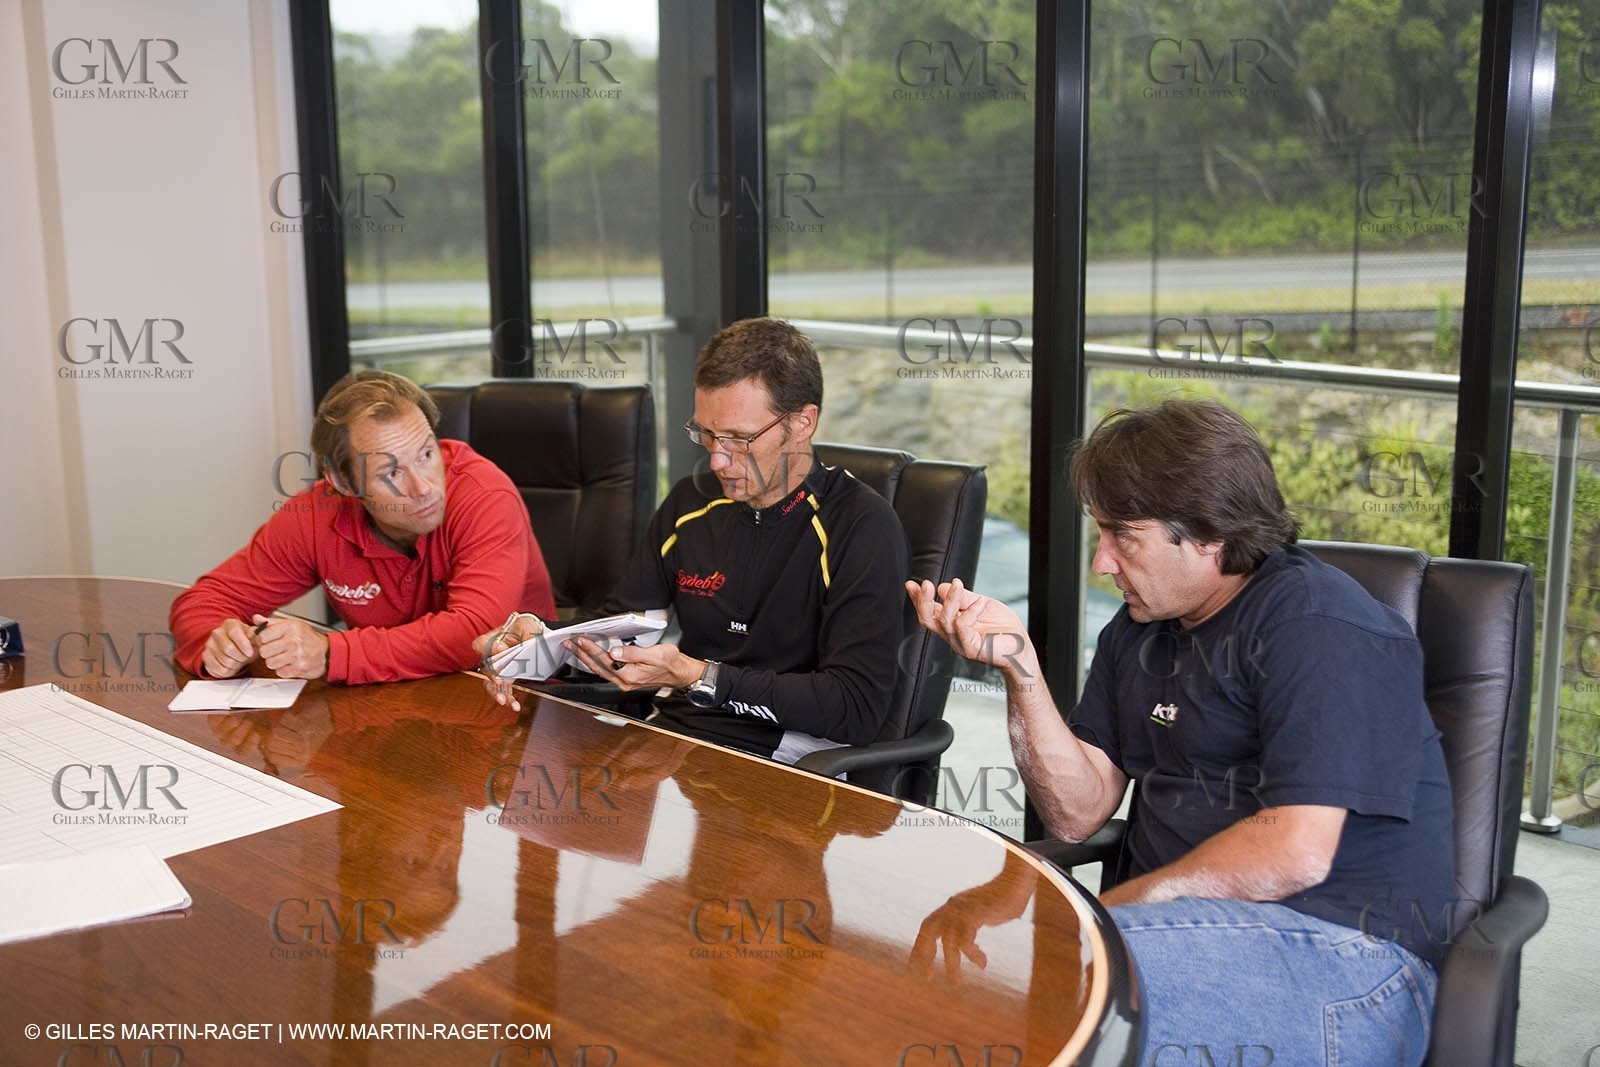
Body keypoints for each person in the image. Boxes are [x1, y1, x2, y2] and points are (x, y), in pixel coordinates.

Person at [908, 399, 1453, 1066]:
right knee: (965, 987)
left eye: (1122, 536)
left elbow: (1295, 852)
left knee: (1052, 1010)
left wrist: (1107, 915)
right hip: (1173, 935)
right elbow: (1076, 812)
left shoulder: (1319, 624)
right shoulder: (1138, 631)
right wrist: (1020, 667)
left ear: (1209, 532)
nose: (1102, 563)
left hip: (1344, 957)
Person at [478, 317, 909, 764]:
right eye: (706, 433)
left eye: (740, 439)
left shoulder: (861, 525)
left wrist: (698, 675)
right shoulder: (692, 502)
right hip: (678, 738)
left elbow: (856, 709)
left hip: (793, 758)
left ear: (802, 423)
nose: (718, 459)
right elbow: (620, 631)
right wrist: (541, 645)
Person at [171, 369, 555, 684]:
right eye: (390, 472)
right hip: (386, 704)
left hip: (514, 698)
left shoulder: (483, 493)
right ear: (342, 481)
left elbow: (473, 634)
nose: (423, 488)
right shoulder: (316, 514)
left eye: (426, 454)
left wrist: (330, 653)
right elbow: (204, 601)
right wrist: (217, 643)